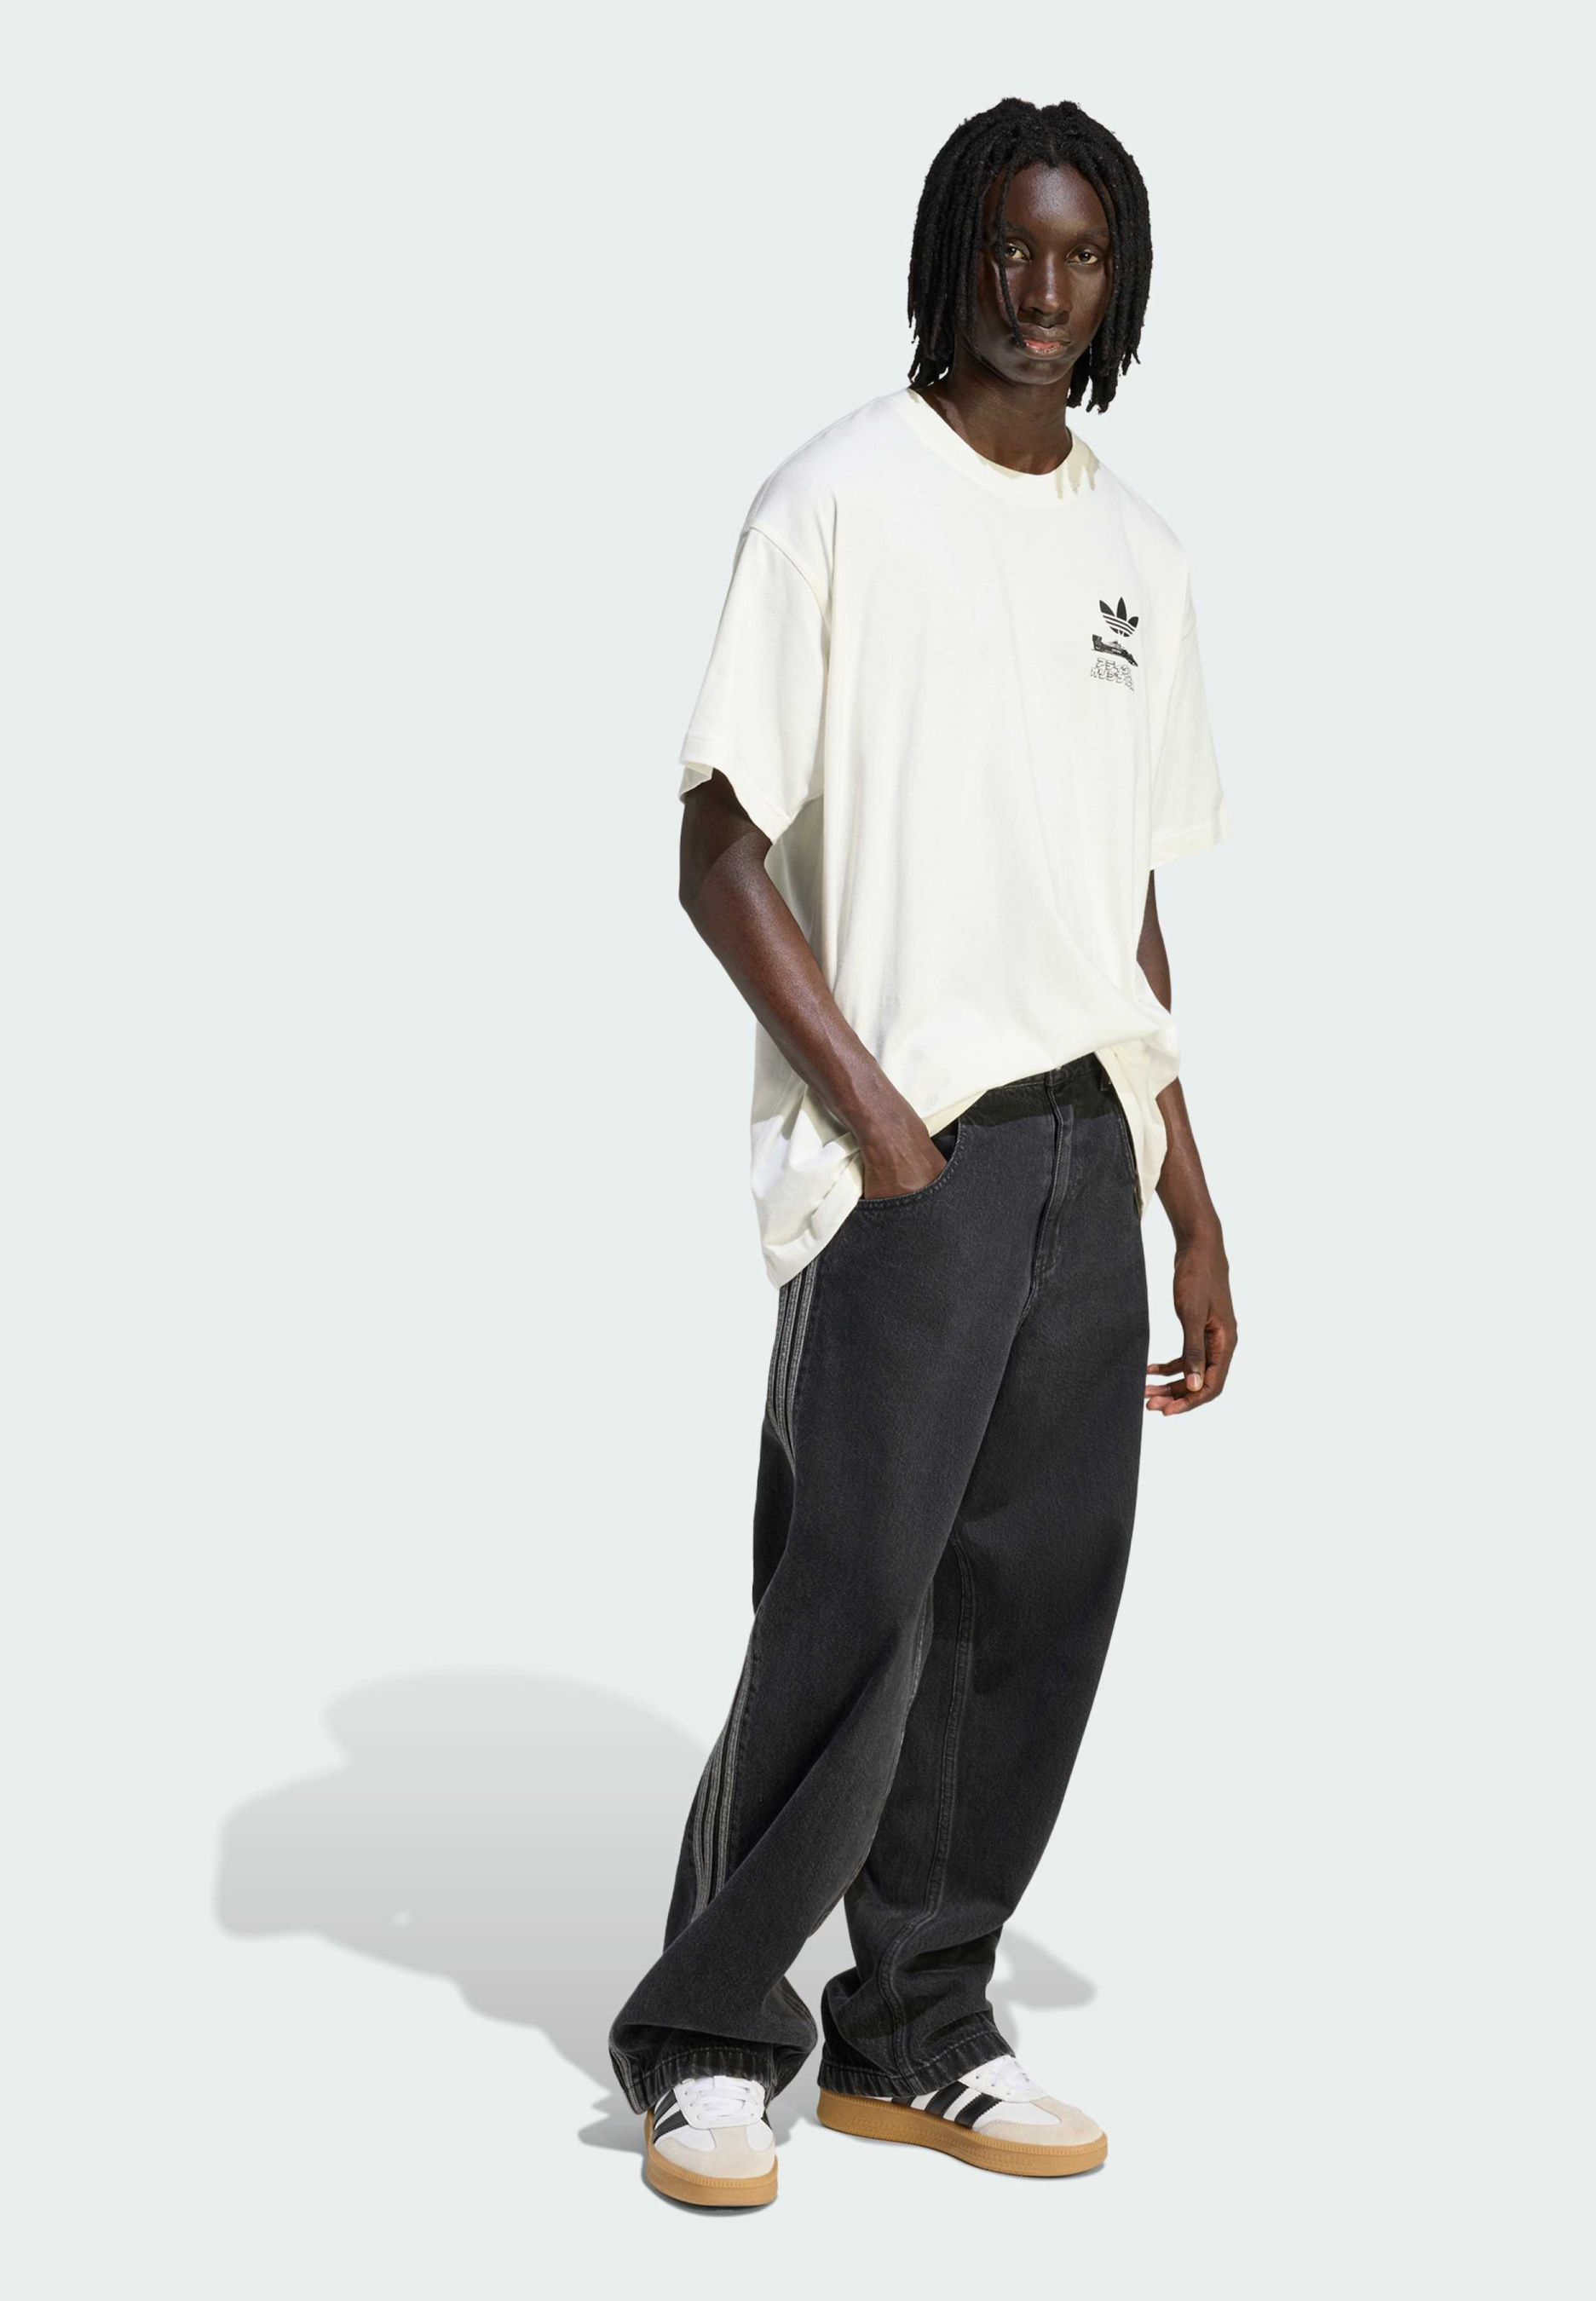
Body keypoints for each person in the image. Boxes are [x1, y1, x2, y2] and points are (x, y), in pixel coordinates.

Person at [608, 95, 1237, 2208]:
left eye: (1081, 254)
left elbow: (1118, 902)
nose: (1042, 291)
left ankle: (917, 2032)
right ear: (952, 254)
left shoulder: (1140, 557)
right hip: (911, 1150)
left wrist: (1185, 1186)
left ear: (1117, 282)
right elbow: (716, 853)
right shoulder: (833, 505)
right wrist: (877, 1123)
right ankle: (708, 2037)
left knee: (1029, 1602)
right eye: (1010, 247)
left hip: (1084, 1146)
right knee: (856, 1595)